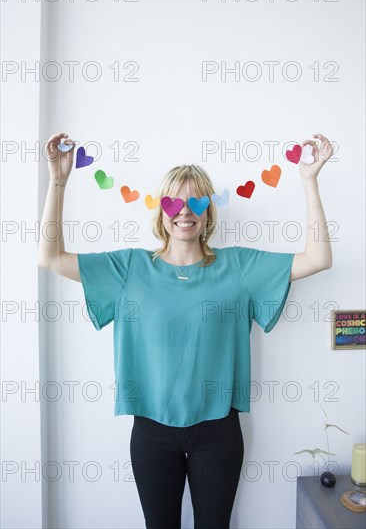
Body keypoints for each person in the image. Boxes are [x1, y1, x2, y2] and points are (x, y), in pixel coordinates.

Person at [38, 132, 333, 529]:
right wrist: (58, 182)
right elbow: (50, 256)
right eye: (174, 201)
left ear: (209, 211)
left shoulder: (239, 267)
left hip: (217, 432)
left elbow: (318, 258)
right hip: (151, 431)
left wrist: (310, 181)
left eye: (196, 201)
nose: (184, 211)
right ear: (161, 209)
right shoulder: (130, 268)